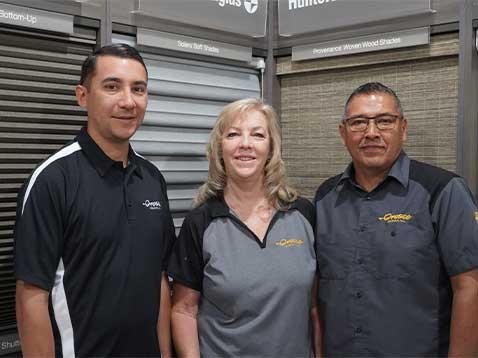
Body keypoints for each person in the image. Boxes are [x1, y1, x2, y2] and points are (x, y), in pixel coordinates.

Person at [14, 44, 175, 357]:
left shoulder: (153, 179)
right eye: (112, 86)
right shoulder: (52, 180)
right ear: (82, 96)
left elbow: (159, 278)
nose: (128, 101)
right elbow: (31, 296)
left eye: (138, 89)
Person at [314, 82, 478, 357]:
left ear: (403, 128)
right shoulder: (325, 197)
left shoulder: (443, 190)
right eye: (358, 123)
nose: (371, 133)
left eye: (384, 121)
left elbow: (470, 287)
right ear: (343, 133)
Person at [168, 98, 320, 357]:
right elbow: (184, 309)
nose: (245, 144)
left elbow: (315, 304)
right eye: (233, 134)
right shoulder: (201, 222)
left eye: (258, 135)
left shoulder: (303, 214)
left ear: (271, 148)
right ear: (220, 148)